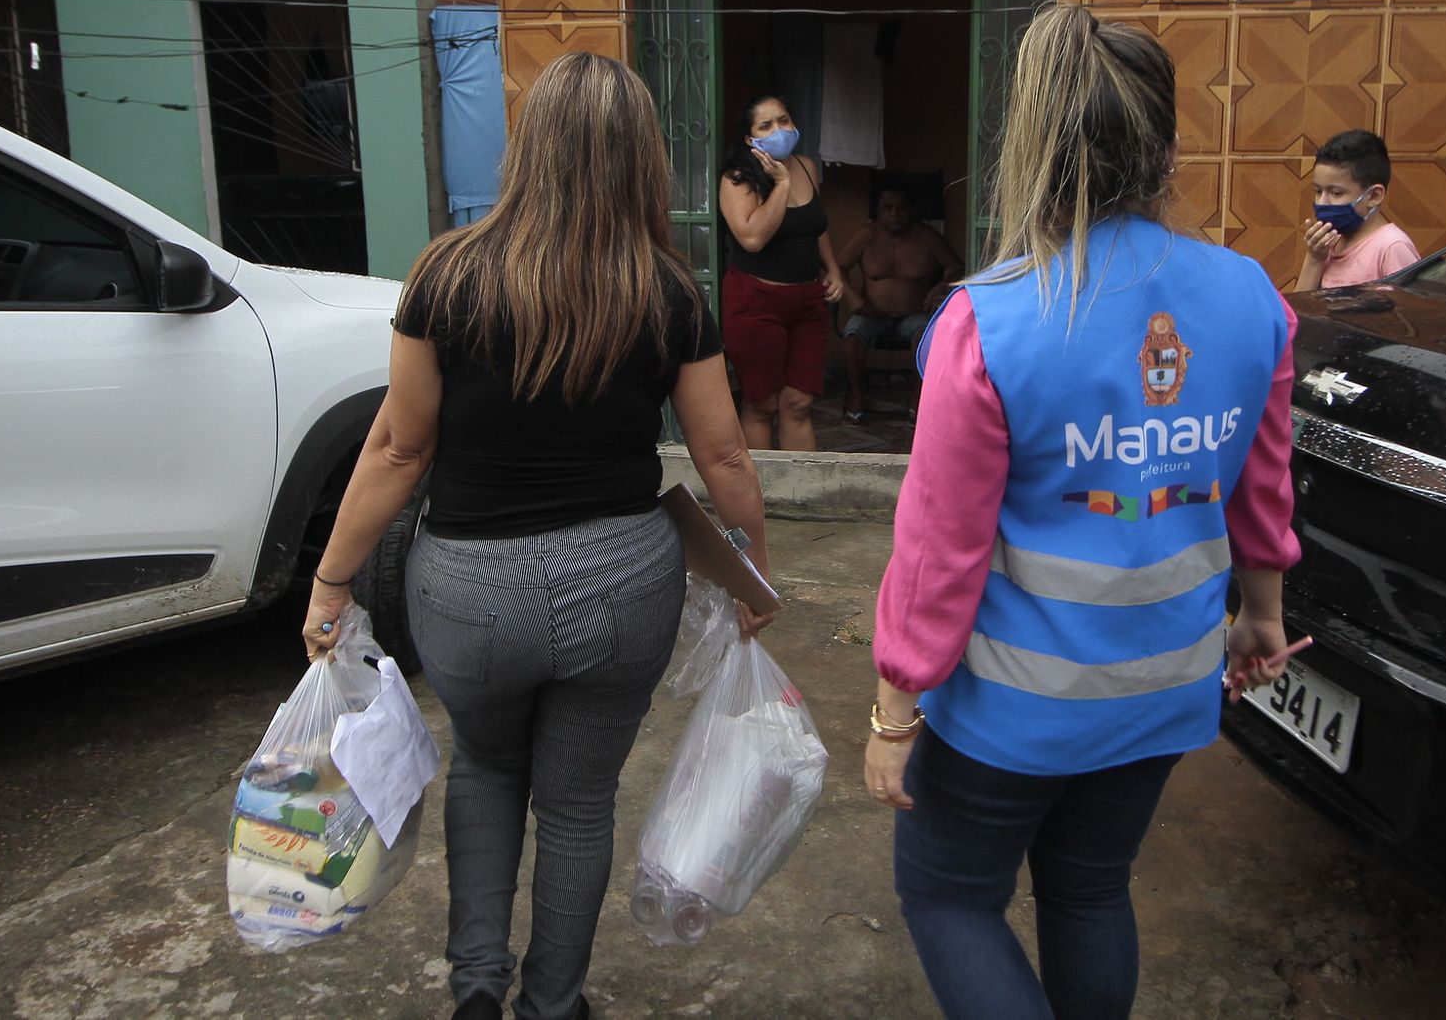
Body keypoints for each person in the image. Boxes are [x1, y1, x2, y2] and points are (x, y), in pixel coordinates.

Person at [301, 51, 774, 1020]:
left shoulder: (446, 274)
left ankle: (477, 987)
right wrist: (751, 568)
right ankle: (552, 1003)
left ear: (529, 148)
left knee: (483, 767)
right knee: (577, 800)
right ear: (641, 158)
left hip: (468, 592)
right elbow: (723, 453)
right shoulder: (667, 290)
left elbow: (397, 448)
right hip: (620, 587)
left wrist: (330, 581)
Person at [862, 4, 1299, 1020]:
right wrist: (1262, 614)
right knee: (1091, 886)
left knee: (947, 895)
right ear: (1168, 148)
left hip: (1011, 707)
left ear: (1033, 149)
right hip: (1163, 685)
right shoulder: (1251, 298)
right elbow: (1263, 488)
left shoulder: (991, 319)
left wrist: (894, 708)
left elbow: (937, 548)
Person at [718, 95, 846, 451]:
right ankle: (760, 486)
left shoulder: (807, 166)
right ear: (750, 138)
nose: (779, 130)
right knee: (762, 404)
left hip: (807, 302)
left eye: (784, 120)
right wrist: (782, 185)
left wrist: (833, 269)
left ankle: (800, 485)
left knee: (799, 403)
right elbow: (753, 238)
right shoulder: (737, 179)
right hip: (755, 302)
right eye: (766, 125)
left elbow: (815, 226)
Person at [836, 184, 966, 420]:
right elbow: (838, 268)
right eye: (887, 208)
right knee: (852, 335)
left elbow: (956, 267)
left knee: (927, 337)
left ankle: (918, 398)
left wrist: (940, 287)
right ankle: (856, 395)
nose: (894, 214)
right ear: (878, 210)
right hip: (871, 314)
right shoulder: (866, 235)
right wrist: (853, 299)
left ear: (911, 209)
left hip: (914, 315)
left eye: (901, 207)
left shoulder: (927, 236)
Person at [1293, 130, 1421, 291]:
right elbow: (1299, 304)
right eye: (1318, 191)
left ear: (1374, 196)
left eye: (1336, 193)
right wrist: (1314, 258)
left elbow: (1410, 304)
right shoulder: (1328, 243)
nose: (1322, 202)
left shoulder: (1392, 247)